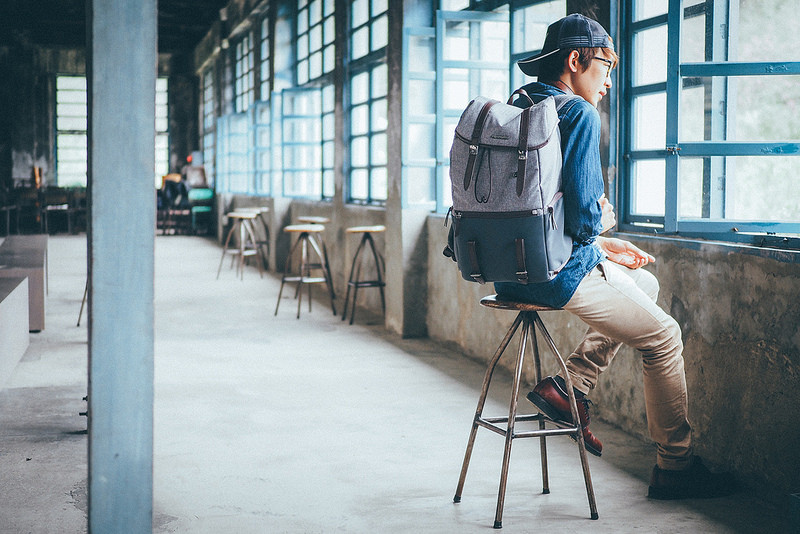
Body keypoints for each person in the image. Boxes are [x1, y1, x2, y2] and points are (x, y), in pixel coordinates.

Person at [495, 13, 736, 500]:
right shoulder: (578, 114)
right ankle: (675, 466)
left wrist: (604, 249)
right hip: (553, 276)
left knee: (644, 286)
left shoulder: (518, 106)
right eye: (606, 66)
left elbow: (536, 214)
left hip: (506, 272)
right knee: (664, 336)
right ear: (575, 60)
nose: (608, 81)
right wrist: (600, 230)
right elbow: (582, 221)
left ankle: (572, 387)